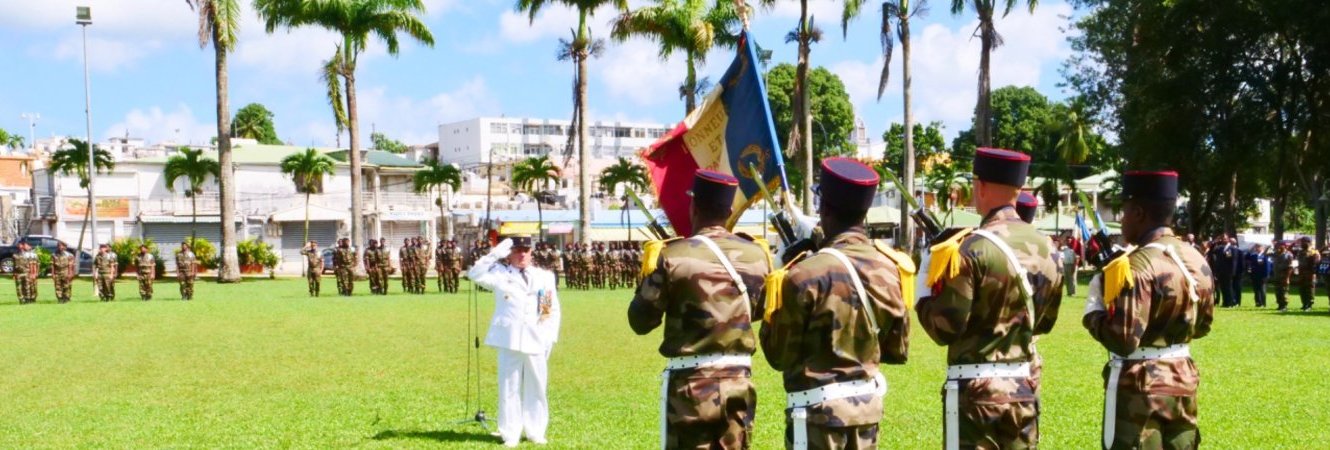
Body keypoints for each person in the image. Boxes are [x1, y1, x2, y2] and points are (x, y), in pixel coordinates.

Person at [916, 148, 1063, 449]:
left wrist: (922, 291)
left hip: (976, 396)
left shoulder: (972, 248)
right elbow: (1044, 324)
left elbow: (944, 329)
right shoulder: (1049, 247)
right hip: (1023, 388)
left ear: (980, 187)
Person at [761, 159, 912, 450]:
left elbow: (777, 355)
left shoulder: (804, 274)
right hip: (866, 413)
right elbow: (898, 349)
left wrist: (783, 275)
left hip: (816, 417)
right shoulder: (891, 269)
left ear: (824, 209)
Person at [629, 170, 772, 449]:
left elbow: (640, 321)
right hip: (738, 382)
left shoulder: (672, 255)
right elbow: (757, 311)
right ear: (729, 210)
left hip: (690, 386)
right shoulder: (758, 256)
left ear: (693, 206)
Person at [1083, 170, 1214, 450]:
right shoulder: (1195, 257)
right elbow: (1203, 326)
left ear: (1139, 212)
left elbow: (1123, 339)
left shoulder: (1137, 264)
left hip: (1141, 387)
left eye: (1125, 211)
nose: (1121, 219)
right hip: (1183, 376)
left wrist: (1094, 310)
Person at [467, 234, 561, 447]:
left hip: (536, 337)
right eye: (517, 251)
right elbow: (473, 274)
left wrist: (549, 337)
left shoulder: (544, 276)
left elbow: (550, 308)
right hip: (510, 338)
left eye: (525, 251)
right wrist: (495, 253)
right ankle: (510, 432)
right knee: (509, 387)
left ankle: (536, 430)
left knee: (537, 386)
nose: (522, 255)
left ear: (531, 253)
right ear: (509, 254)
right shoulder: (499, 274)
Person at [1295, 236, 1319, 311]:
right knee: (1302, 289)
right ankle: (1304, 303)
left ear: (1308, 242)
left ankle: (1309, 304)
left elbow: (1316, 263)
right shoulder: (1300, 251)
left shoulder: (1314, 252)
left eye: (1303, 242)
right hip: (1301, 273)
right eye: (1301, 242)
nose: (1301, 243)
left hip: (1310, 273)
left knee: (1310, 289)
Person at [1273, 241, 1293, 312]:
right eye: (1277, 246)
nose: (1278, 247)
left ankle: (1284, 306)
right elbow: (1266, 254)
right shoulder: (1276, 254)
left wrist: (1287, 277)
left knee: (1284, 291)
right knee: (1277, 291)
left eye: (1279, 245)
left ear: (1284, 246)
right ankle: (1280, 305)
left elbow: (1290, 267)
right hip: (1277, 275)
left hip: (1284, 276)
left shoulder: (1288, 255)